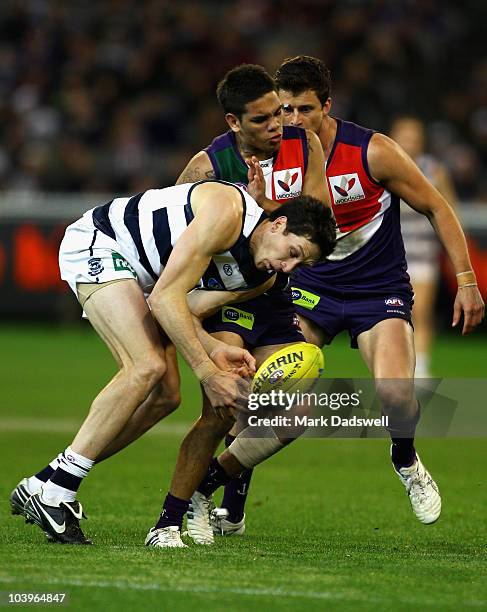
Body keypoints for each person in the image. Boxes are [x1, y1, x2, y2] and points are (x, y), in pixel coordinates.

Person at [192, 55, 485, 538]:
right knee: (266, 387)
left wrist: (468, 281)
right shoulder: (273, 154)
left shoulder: (374, 151)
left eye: (304, 109)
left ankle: (406, 458)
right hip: (308, 289)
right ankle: (231, 503)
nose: (291, 120)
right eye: (283, 110)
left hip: (377, 289)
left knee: (395, 394)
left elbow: (437, 206)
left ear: (327, 105)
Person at [11, 180, 336, 546]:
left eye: (300, 262)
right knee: (145, 367)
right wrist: (207, 372)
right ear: (277, 224)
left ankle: (44, 482)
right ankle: (58, 493)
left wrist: (213, 348)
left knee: (166, 396)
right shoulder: (227, 214)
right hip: (101, 242)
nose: (288, 267)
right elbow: (166, 300)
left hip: (146, 281)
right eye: (292, 251)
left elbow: (187, 310)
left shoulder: (261, 276)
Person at [145, 64, 331, 547]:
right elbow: (175, 249)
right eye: (264, 119)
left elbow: (315, 220)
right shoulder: (206, 168)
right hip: (225, 295)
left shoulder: (305, 143)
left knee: (295, 412)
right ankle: (173, 516)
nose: (278, 125)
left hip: (273, 293)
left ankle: (215, 490)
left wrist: (266, 211)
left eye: (280, 113)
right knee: (225, 408)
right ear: (234, 122)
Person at [390, 116, 458, 378]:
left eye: (413, 136)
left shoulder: (433, 169)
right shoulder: (383, 164)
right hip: (390, 252)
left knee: (420, 311)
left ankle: (423, 369)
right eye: (404, 136)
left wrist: (453, 249)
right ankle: (399, 367)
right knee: (393, 315)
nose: (409, 142)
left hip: (422, 252)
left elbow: (449, 210)